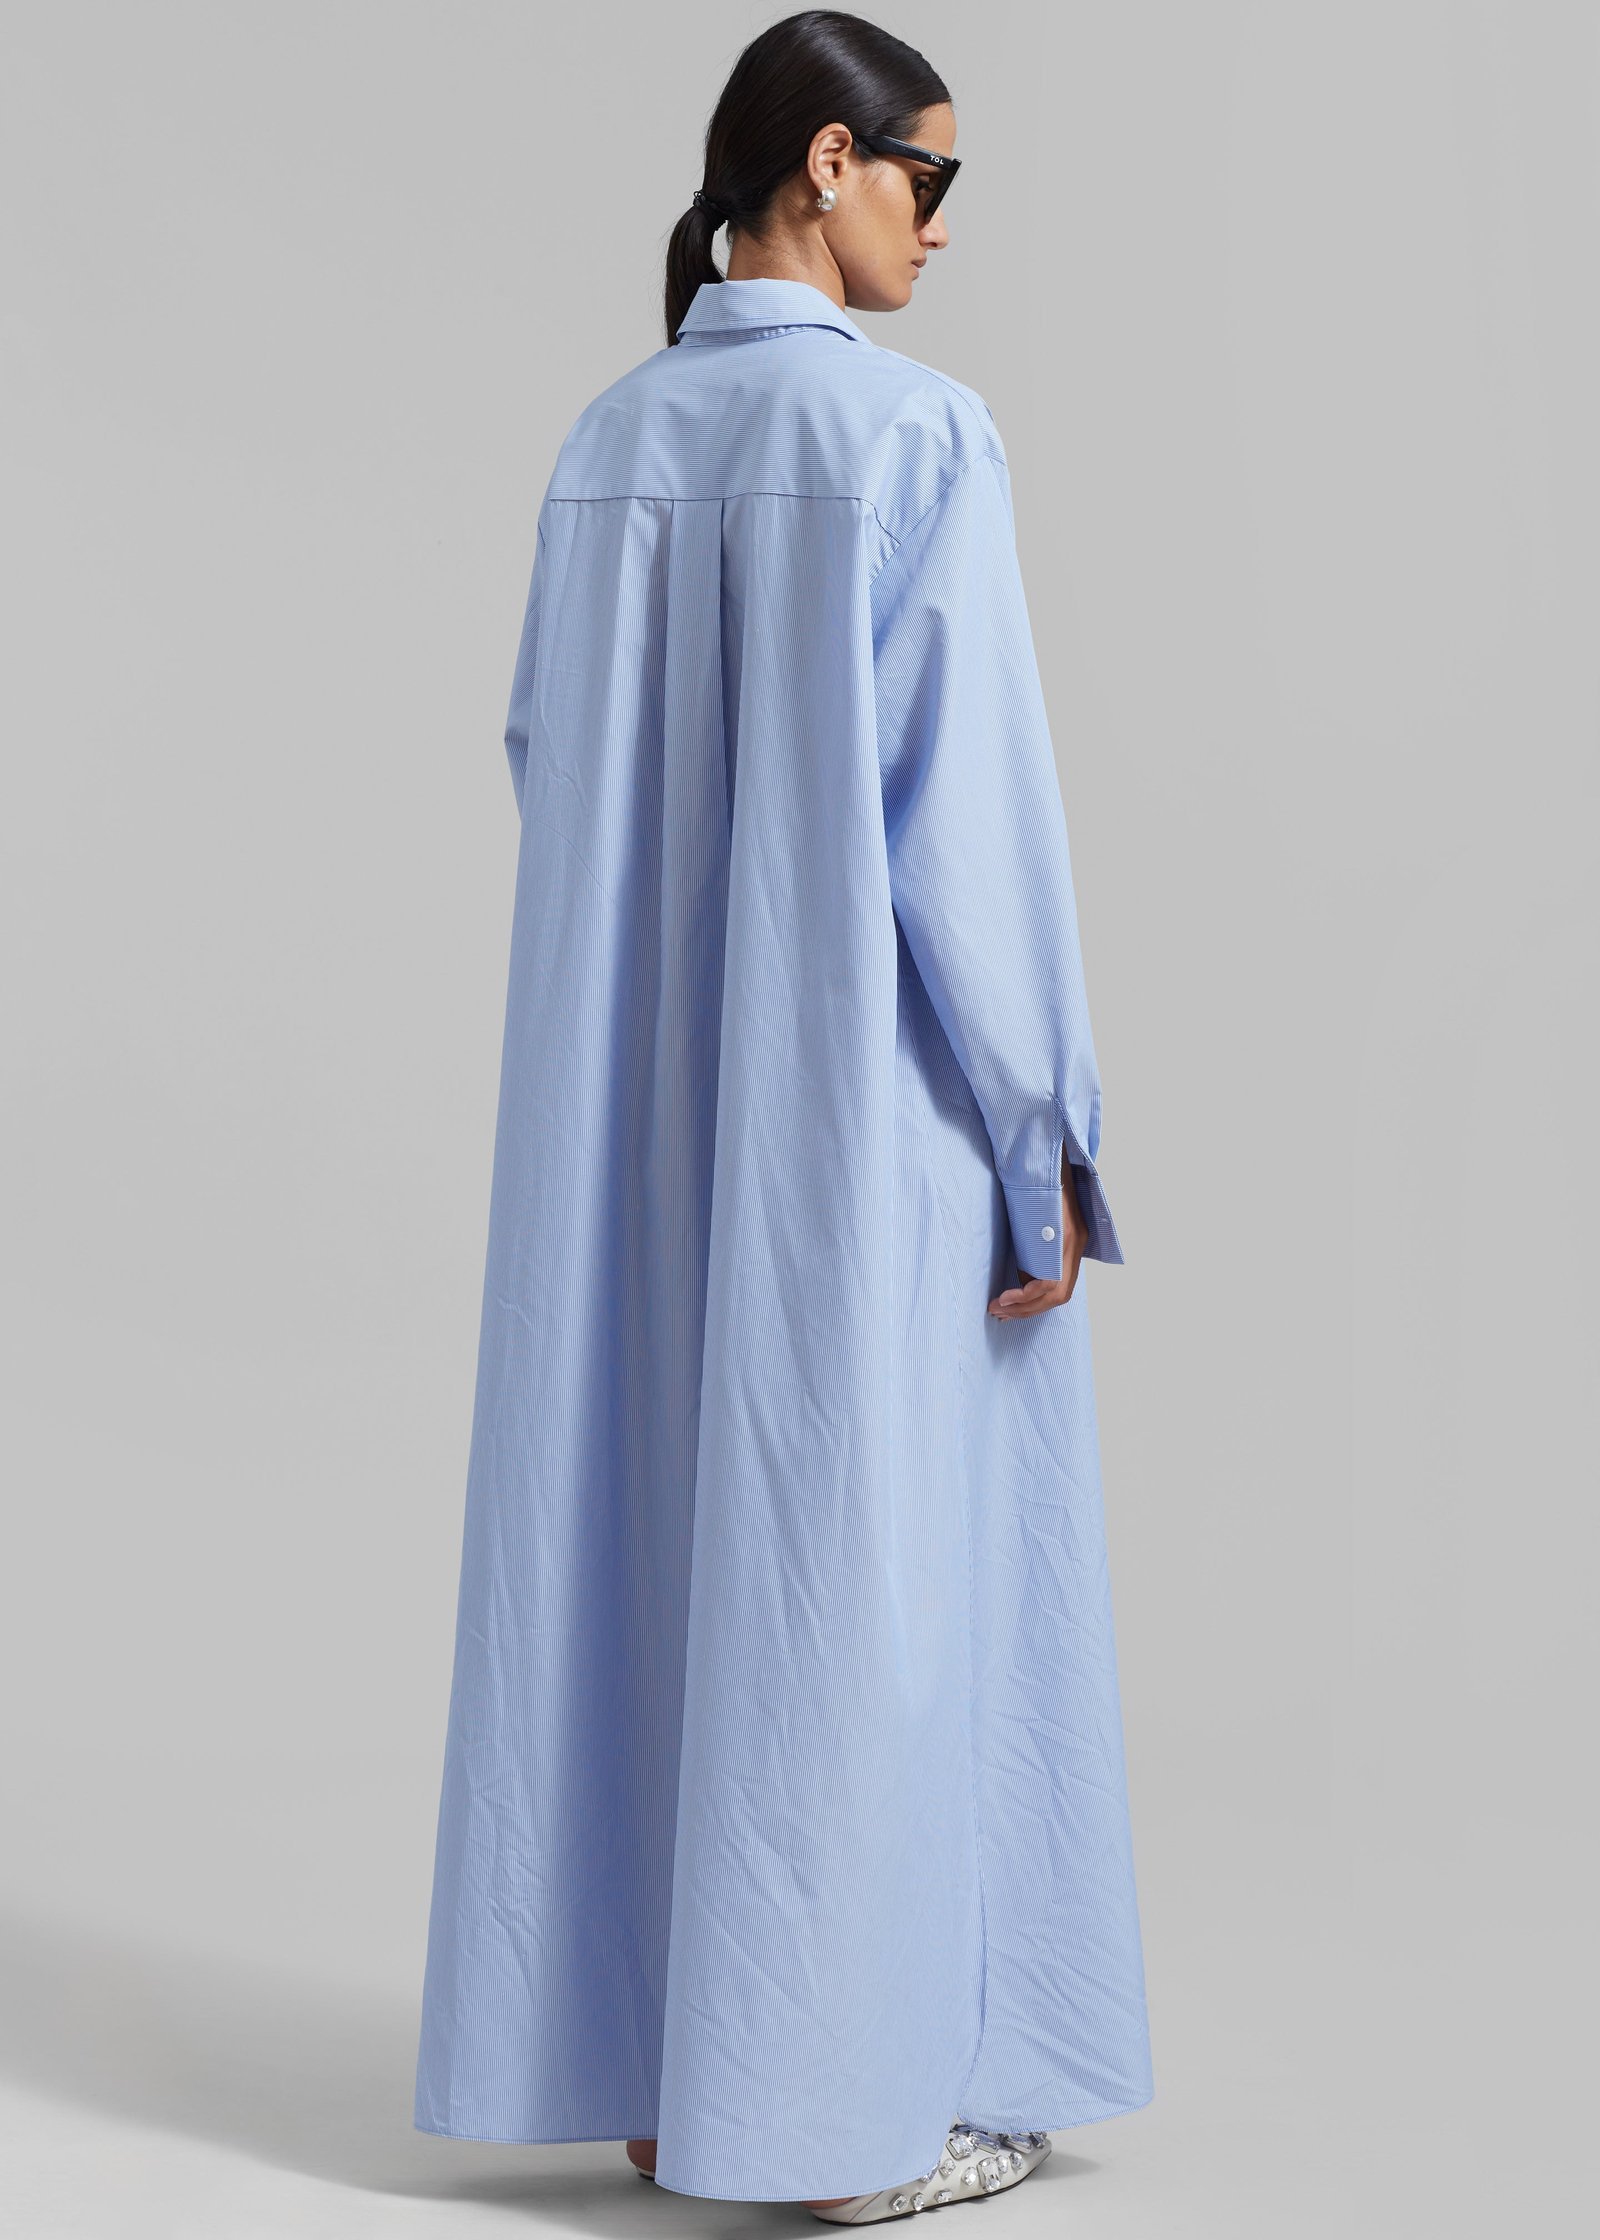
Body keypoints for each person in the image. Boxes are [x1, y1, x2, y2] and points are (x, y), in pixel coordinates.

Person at [413, 8, 1153, 2223]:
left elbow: (549, 764)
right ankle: (835, 2123)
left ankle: (668, 2074)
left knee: (645, 1544)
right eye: (933, 178)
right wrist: (1040, 1133)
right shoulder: (916, 438)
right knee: (857, 1586)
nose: (943, 226)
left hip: (628, 1114)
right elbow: (970, 832)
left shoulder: (609, 438)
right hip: (864, 1111)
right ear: (827, 165)